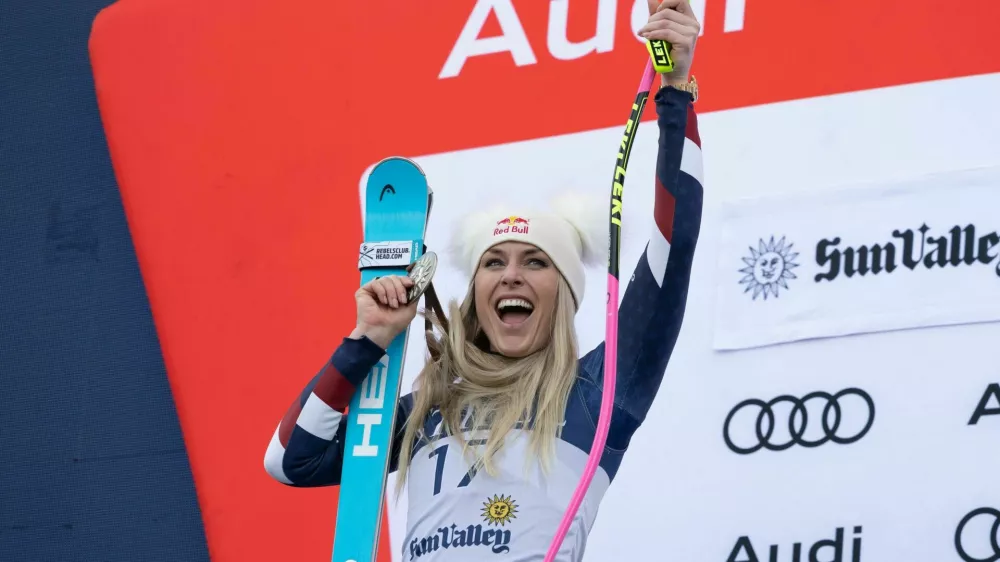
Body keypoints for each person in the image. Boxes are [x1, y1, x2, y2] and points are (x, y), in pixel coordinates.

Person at [263, 1, 704, 559]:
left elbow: (674, 246)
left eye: (536, 262)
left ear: (565, 296)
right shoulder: (425, 412)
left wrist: (677, 87)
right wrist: (363, 344)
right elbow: (290, 461)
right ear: (474, 294)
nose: (511, 275)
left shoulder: (600, 392)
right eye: (493, 263)